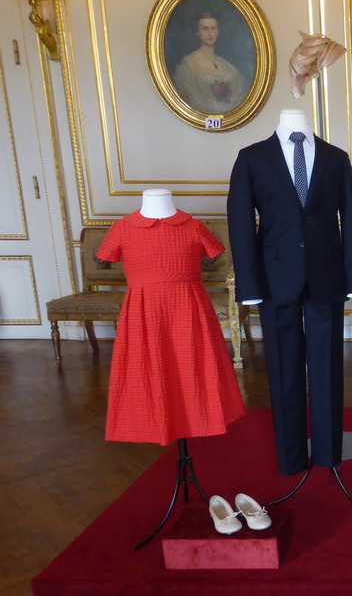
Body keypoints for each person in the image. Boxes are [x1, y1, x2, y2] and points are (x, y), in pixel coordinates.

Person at [227, 109, 352, 476]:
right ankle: (290, 459)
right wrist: (249, 285)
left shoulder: (336, 157)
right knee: (283, 369)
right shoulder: (252, 158)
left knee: (327, 368)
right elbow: (241, 223)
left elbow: (351, 217)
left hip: (327, 275)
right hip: (276, 278)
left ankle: (327, 454)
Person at [97, 189, 245, 445]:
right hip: (144, 313)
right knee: (150, 369)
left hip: (189, 310)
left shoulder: (194, 226)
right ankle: (156, 424)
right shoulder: (122, 228)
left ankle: (199, 419)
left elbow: (215, 253)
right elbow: (104, 258)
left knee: (193, 368)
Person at [172, 12, 248, 114]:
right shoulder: (188, 64)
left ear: (218, 32)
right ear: (198, 32)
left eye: (213, 28)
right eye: (205, 29)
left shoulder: (227, 66)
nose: (210, 33)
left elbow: (240, 93)